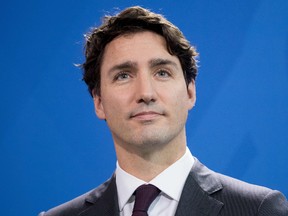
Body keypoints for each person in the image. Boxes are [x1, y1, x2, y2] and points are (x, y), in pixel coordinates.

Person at [39, 6, 288, 216]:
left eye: (162, 72)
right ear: (99, 102)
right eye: (123, 75)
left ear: (190, 92)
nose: (146, 93)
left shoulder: (258, 209)